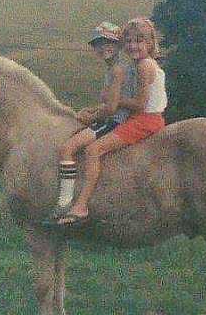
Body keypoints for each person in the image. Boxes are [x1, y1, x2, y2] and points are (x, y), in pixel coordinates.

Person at [57, 18, 167, 226]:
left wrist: (112, 102)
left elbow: (140, 104)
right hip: (142, 117)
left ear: (150, 43)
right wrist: (105, 105)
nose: (133, 45)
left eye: (139, 41)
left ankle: (81, 205)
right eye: (129, 41)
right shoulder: (138, 65)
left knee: (93, 150)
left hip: (145, 120)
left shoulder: (142, 66)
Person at [47, 21, 131, 222]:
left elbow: (112, 109)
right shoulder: (115, 68)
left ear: (118, 45)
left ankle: (65, 202)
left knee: (67, 148)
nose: (103, 47)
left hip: (115, 122)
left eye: (108, 42)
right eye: (98, 43)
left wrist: (91, 117)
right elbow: (113, 102)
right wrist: (92, 110)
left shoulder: (117, 71)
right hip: (113, 117)